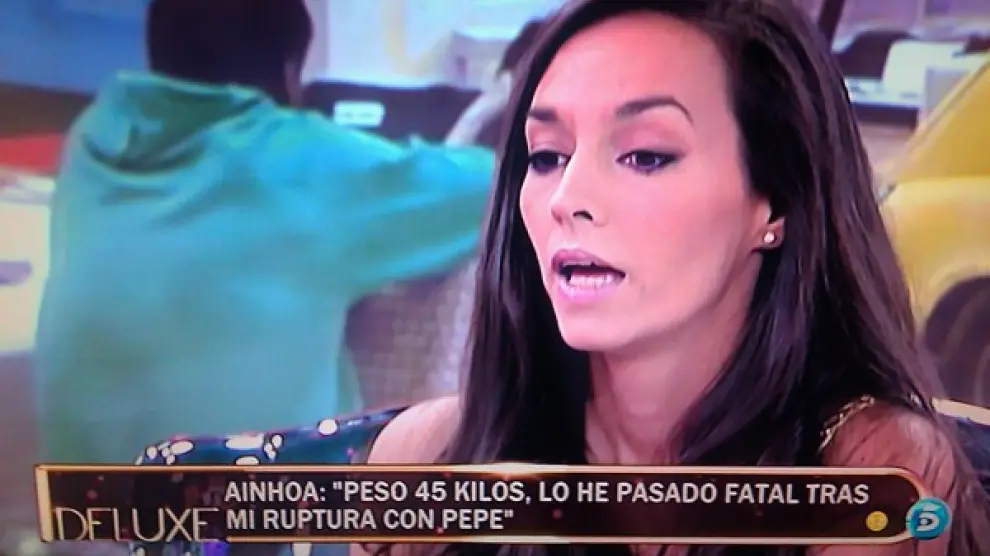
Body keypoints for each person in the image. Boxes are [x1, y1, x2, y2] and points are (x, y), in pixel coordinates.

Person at [356, 0, 990, 555]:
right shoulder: (425, 455)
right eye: (547, 156)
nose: (567, 198)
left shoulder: (874, 468)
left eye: (644, 156)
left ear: (774, 203)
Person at [34, 0, 496, 463]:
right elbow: (492, 185)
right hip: (247, 504)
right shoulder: (302, 164)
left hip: (83, 498)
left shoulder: (92, 138)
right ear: (289, 72)